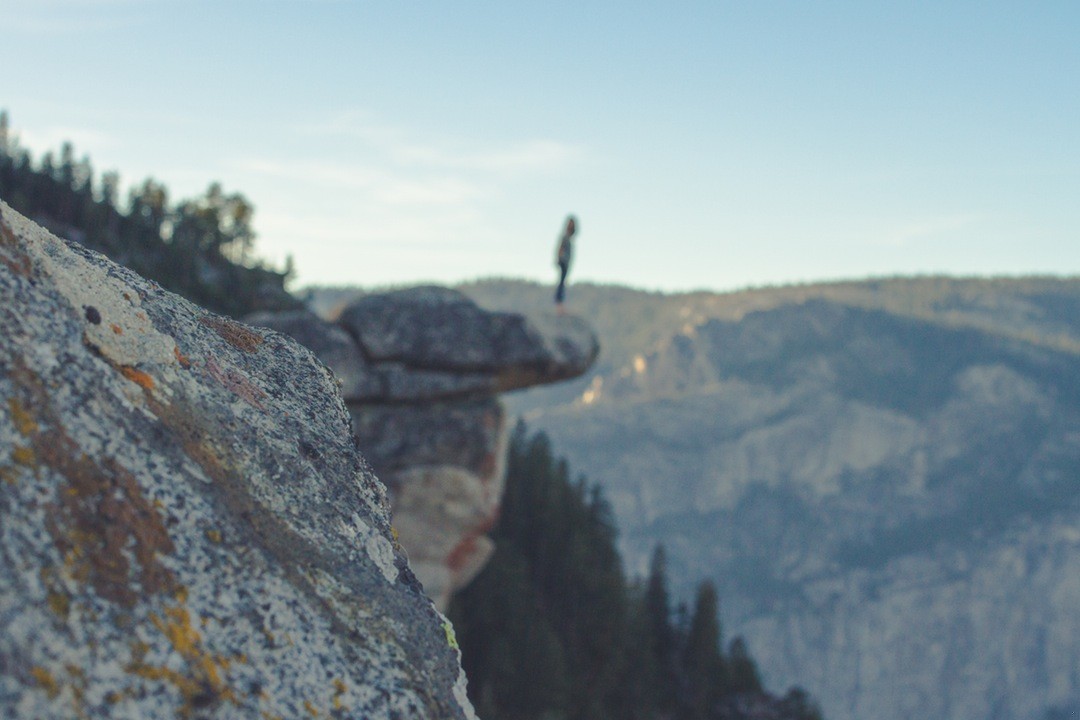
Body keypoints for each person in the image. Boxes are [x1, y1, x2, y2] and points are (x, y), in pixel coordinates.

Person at [554, 214, 577, 314]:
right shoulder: (565, 237)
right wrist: (559, 259)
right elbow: (560, 249)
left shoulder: (568, 238)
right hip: (563, 262)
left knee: (562, 283)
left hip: (565, 263)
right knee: (561, 284)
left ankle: (560, 305)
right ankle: (559, 306)